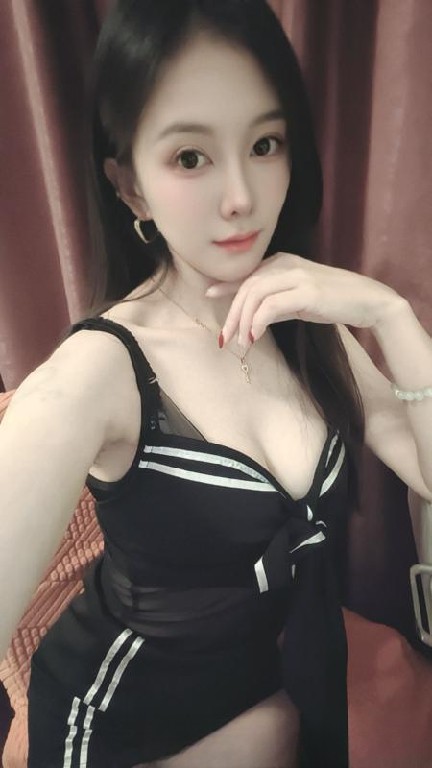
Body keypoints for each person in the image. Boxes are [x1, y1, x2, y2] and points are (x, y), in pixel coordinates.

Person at [1, 0, 432, 766]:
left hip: (270, 688)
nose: (241, 196)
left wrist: (390, 315)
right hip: (121, 726)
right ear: (129, 187)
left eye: (264, 144)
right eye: (190, 157)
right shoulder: (98, 372)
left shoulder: (308, 323)